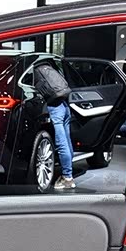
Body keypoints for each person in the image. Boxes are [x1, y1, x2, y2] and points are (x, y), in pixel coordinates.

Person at [34, 59, 75, 189]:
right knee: (67, 142)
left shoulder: (35, 70)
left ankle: (67, 178)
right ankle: (69, 174)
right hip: (64, 105)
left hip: (55, 107)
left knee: (61, 143)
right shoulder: (50, 67)